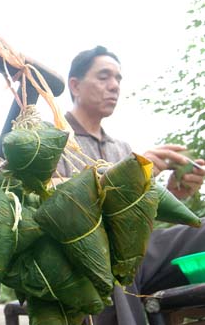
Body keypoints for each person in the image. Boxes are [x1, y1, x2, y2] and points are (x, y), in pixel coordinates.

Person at [56, 45, 205, 324]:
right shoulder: (55, 139)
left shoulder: (121, 147)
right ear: (75, 85)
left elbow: (135, 223)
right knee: (114, 260)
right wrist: (126, 174)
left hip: (137, 256)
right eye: (103, 76)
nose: (114, 86)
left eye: (118, 79)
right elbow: (51, 204)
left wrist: (173, 194)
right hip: (86, 256)